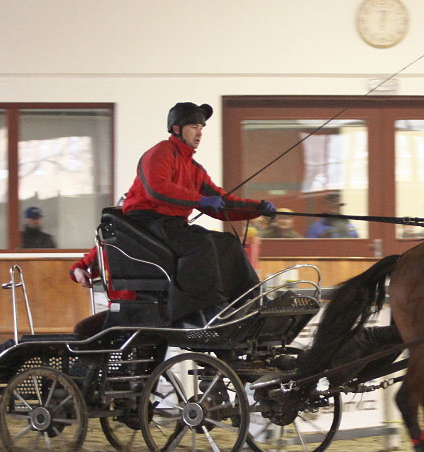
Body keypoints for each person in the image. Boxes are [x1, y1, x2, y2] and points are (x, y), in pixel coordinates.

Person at [121, 101, 276, 325]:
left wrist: (256, 208)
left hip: (172, 226)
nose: (200, 132)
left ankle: (251, 301)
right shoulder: (160, 152)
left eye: (202, 127)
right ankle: (208, 311)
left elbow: (223, 203)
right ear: (176, 129)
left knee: (228, 243)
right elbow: (157, 189)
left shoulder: (195, 169)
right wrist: (200, 199)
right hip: (146, 223)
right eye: (194, 126)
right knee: (200, 245)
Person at [69, 246, 137, 337]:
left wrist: (77, 270)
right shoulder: (107, 245)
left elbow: (83, 267)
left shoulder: (109, 244)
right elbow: (83, 266)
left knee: (82, 330)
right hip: (147, 307)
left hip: (123, 307)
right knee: (83, 330)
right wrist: (77, 270)